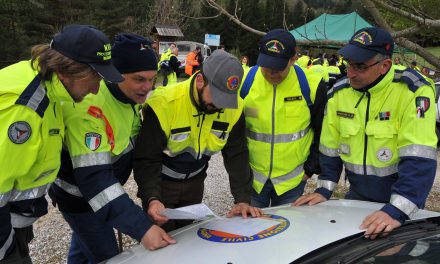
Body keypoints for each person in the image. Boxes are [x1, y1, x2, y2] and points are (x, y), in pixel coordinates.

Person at [294, 27, 437, 240]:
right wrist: (324, 189)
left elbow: (419, 156)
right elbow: (330, 147)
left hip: (399, 200)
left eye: (360, 66)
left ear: (384, 66)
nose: (350, 73)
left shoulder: (413, 91)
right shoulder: (339, 93)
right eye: (349, 64)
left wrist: (397, 210)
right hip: (357, 196)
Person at [0, 24, 123, 263]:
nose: (97, 88)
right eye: (95, 76)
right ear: (67, 70)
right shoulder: (26, 111)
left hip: (13, 219)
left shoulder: (48, 85)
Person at [48, 33, 175, 263]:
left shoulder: (129, 100)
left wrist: (152, 197)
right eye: (139, 79)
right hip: (82, 201)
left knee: (82, 251)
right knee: (109, 256)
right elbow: (95, 179)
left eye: (152, 79)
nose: (147, 88)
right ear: (116, 75)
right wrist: (141, 227)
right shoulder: (90, 105)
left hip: (104, 199)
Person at [133, 50, 262, 231]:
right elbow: (146, 158)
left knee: (186, 237)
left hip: (195, 185)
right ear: (200, 80)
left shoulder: (234, 108)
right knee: (161, 240)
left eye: (225, 100)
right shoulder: (164, 104)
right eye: (216, 97)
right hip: (162, 185)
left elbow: (237, 154)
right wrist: (152, 198)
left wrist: (242, 199)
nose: (219, 107)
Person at [239, 29, 327, 208]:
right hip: (253, 180)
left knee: (287, 232)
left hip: (292, 182)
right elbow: (234, 132)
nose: (271, 73)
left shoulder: (312, 85)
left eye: (278, 67)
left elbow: (323, 132)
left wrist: (310, 170)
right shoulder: (245, 80)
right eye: (266, 65)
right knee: (254, 232)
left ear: (293, 59)